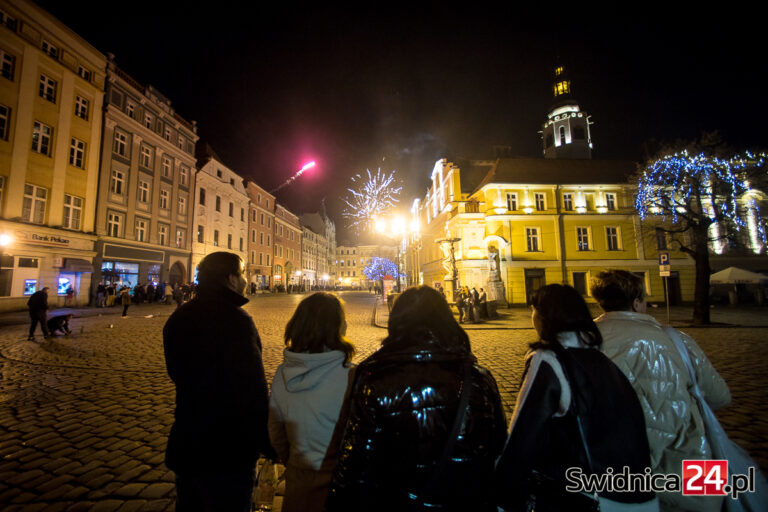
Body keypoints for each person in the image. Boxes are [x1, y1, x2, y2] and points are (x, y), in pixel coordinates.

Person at [326, 286, 507, 511]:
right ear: (446, 321)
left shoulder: (375, 379)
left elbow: (355, 461)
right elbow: (497, 445)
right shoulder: (479, 378)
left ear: (396, 322)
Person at [495, 284, 657, 512]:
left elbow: (524, 433)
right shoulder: (601, 360)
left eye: (534, 311)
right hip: (640, 497)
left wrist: (502, 495)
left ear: (545, 317)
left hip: (587, 497)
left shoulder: (549, 359)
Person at [590, 270, 731, 512]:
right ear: (637, 303)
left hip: (615, 469)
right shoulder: (677, 339)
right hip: (690, 463)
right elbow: (720, 396)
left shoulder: (583, 341)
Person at [163, 251, 273, 512]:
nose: (246, 280)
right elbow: (252, 389)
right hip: (228, 448)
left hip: (187, 440)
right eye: (243, 274)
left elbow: (176, 373)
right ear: (231, 279)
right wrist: (267, 442)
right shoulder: (236, 321)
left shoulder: (179, 317)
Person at [268, 292, 355, 512]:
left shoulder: (282, 374)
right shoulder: (352, 376)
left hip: (300, 483)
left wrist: (295, 462)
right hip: (340, 483)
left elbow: (276, 432)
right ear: (336, 327)